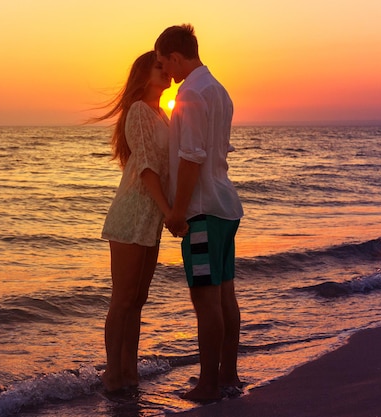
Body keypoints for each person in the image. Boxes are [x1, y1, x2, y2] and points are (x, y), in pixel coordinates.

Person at [154, 24, 244, 402]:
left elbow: (192, 157)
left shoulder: (191, 92)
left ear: (176, 56)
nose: (166, 73)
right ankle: (228, 375)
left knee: (205, 298)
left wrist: (176, 211)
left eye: (164, 63)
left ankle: (208, 385)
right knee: (224, 294)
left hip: (203, 210)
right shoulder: (219, 90)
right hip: (225, 205)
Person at [92, 51, 174, 392]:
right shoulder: (140, 111)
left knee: (137, 299)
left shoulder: (161, 115)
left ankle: (131, 370)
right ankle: (114, 373)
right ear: (143, 75)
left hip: (149, 217)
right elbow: (145, 167)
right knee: (123, 299)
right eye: (159, 67)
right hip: (131, 214)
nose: (166, 71)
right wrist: (170, 212)